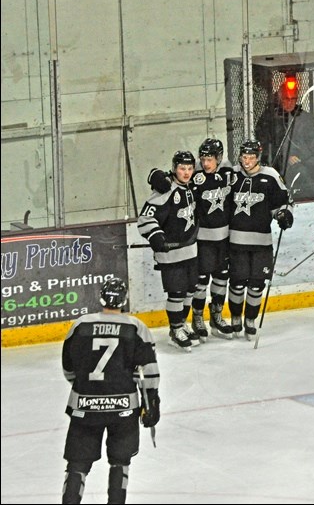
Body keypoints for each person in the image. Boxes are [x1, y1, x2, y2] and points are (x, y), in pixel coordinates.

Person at [61, 278, 160, 504]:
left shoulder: (80, 325)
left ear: (101, 298)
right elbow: (148, 372)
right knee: (120, 462)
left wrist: (87, 389)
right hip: (124, 410)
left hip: (83, 407)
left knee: (77, 464)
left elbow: (69, 367)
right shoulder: (136, 327)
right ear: (124, 301)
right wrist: (151, 401)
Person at [149, 139, 235, 340]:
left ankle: (216, 316)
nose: (206, 164)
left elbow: (252, 169)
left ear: (219, 158)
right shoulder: (193, 173)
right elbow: (167, 175)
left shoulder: (229, 172)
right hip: (202, 239)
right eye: (203, 159)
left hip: (224, 239)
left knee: (222, 278)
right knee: (201, 281)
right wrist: (155, 177)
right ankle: (197, 317)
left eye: (210, 159)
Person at [229, 139, 294, 340]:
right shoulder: (231, 175)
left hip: (261, 242)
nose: (246, 161)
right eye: (244, 157)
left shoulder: (271, 176)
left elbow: (282, 203)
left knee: (257, 284)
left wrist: (284, 215)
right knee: (238, 283)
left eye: (250, 157)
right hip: (236, 242)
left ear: (258, 158)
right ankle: (235, 317)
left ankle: (250, 319)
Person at [138, 150, 199, 352]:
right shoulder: (165, 190)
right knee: (177, 293)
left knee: (190, 290)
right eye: (182, 168)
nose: (186, 172)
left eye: (190, 168)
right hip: (171, 254)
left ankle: (182, 323)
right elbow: (145, 218)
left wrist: (155, 174)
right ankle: (175, 330)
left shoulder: (191, 186)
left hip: (190, 251)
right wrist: (155, 235)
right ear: (174, 169)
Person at [262, 76, 314, 200]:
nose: (290, 102)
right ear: (280, 98)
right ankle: (313, 198)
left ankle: (312, 193)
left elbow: (312, 140)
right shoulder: (272, 119)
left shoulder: (303, 117)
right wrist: (286, 157)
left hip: (305, 157)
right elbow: (269, 145)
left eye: (293, 99)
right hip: (284, 163)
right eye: (286, 99)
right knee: (303, 173)